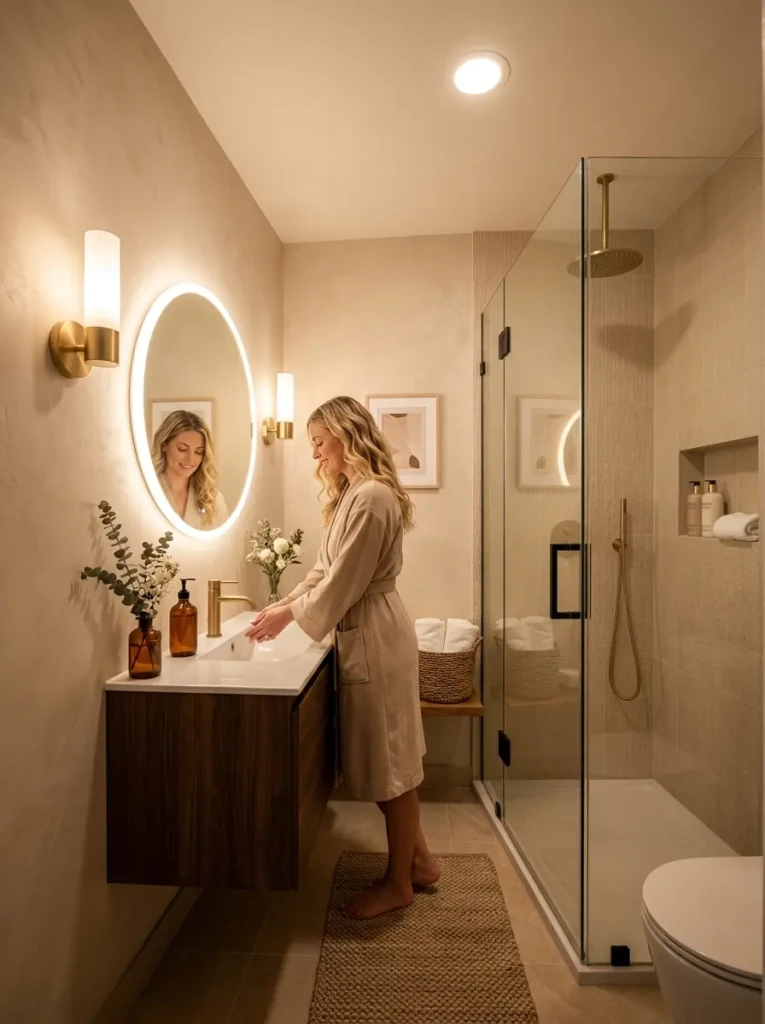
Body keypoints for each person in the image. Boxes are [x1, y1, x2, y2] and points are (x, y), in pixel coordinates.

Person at [245, 395, 437, 919]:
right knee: (385, 760)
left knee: (392, 766)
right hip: (365, 633)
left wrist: (289, 618)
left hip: (374, 634)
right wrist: (282, 605)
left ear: (344, 434)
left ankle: (399, 884)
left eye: (318, 443)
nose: (315, 456)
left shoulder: (373, 497)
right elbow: (324, 572)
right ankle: (418, 862)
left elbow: (345, 583)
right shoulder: (354, 493)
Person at [151, 410, 227, 530]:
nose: (191, 459)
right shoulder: (145, 493)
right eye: (182, 449)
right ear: (164, 445)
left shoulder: (214, 500)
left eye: (199, 452)